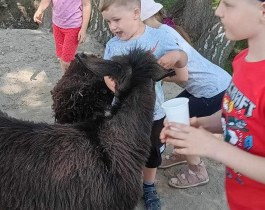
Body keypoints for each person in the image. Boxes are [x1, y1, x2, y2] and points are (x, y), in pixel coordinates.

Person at [160, 0, 265, 209]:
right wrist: (201, 124)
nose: (218, 11)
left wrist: (213, 147)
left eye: (228, 4)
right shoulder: (243, 60)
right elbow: (241, 116)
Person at [99, 0, 188, 209]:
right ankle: (124, 184)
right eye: (108, 22)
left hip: (153, 114)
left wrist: (176, 55)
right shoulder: (113, 45)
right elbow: (107, 76)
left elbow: (183, 61)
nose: (112, 27)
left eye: (117, 20)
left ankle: (148, 186)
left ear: (136, 13)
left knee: (151, 152)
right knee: (121, 149)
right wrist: (119, 89)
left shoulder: (160, 37)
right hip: (122, 113)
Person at [141, 0, 232, 189]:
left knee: (176, 125)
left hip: (212, 91)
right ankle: (183, 154)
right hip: (215, 83)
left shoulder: (159, 37)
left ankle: (197, 170)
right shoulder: (164, 29)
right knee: (173, 118)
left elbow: (182, 74)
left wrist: (158, 78)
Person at [34, 0, 91, 72]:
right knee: (61, 56)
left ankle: (73, 80)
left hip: (73, 27)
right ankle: (66, 78)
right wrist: (39, 10)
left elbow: (86, 5)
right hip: (57, 26)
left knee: (67, 62)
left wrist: (83, 29)